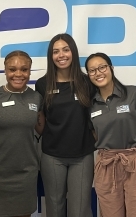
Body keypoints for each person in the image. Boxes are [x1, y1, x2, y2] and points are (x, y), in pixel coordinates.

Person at [84, 52, 136, 217]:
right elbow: (95, 134)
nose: (98, 73)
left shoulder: (133, 94)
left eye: (102, 67)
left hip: (135, 164)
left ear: (111, 68)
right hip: (107, 166)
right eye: (92, 70)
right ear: (88, 75)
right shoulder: (90, 105)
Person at [35, 33, 96, 217]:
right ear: (50, 56)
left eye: (66, 49)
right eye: (56, 51)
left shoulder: (87, 82)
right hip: (52, 156)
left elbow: (96, 117)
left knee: (80, 209)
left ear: (73, 52)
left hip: (82, 155)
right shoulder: (42, 84)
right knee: (54, 208)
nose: (61, 55)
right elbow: (40, 120)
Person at [0, 50, 44, 217]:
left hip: (26, 174)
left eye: (24, 69)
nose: (18, 74)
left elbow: (43, 129)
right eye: (12, 69)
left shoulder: (36, 98)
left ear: (30, 71)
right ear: (5, 70)